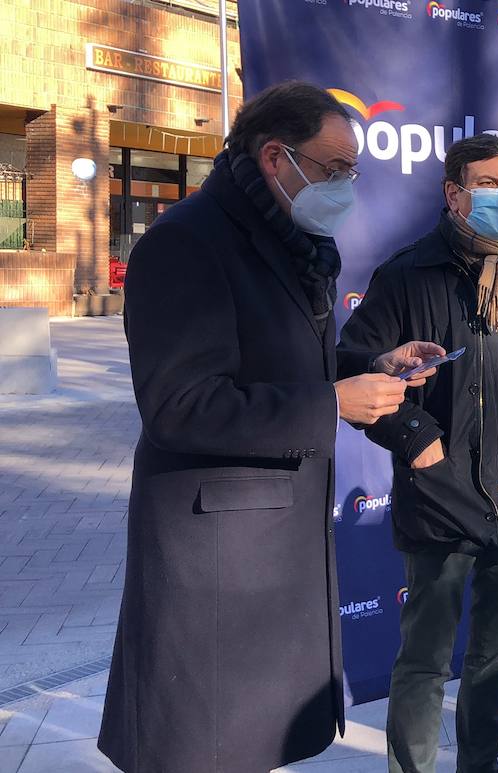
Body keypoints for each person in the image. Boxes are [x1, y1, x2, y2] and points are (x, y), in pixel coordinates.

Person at [100, 81, 443, 772]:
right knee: (205, 748)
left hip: (268, 561)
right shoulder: (187, 243)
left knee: (249, 746)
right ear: (273, 158)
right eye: (333, 168)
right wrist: (331, 405)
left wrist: (370, 365)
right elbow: (179, 405)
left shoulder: (288, 240)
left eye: (353, 170)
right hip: (218, 566)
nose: (347, 184)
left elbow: (283, 362)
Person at [336, 133, 498, 773]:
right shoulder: (407, 274)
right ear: (454, 194)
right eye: (490, 184)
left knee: (494, 657)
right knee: (424, 662)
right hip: (444, 498)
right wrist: (415, 439)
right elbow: (352, 366)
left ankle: (482, 765)